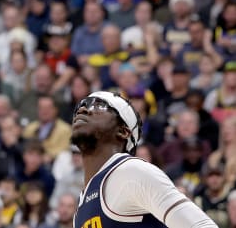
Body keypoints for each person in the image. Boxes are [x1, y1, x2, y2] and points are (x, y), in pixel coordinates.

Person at [70, 90, 215, 228]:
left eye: (98, 105)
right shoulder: (81, 205)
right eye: (81, 105)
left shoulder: (131, 171)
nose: (83, 109)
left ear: (123, 131)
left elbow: (201, 225)